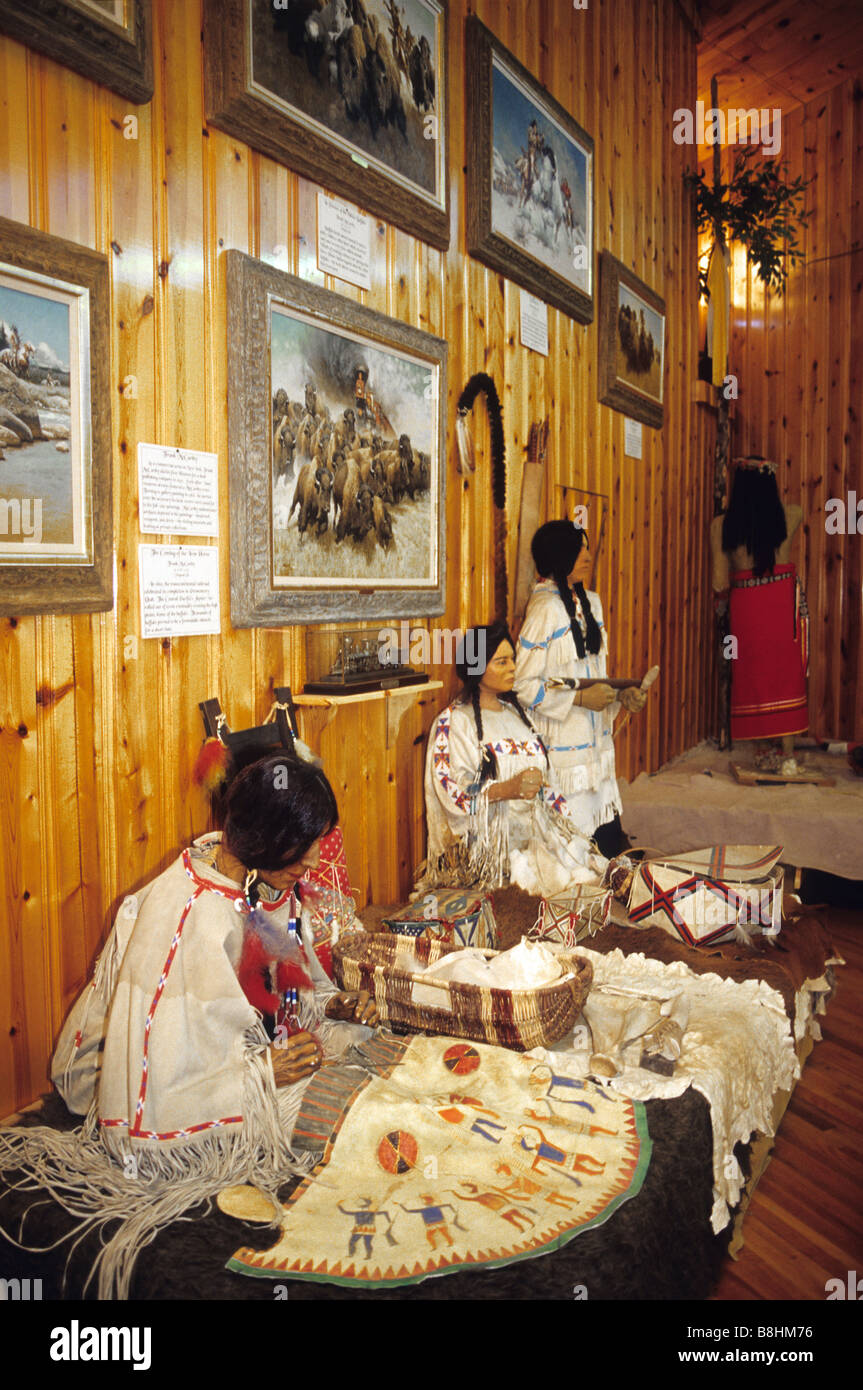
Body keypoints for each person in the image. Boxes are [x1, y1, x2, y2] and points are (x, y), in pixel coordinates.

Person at [0, 756, 377, 1298]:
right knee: (347, 1112)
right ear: (265, 838)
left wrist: (336, 1005)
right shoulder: (185, 915)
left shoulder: (262, 880)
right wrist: (263, 1072)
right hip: (180, 1095)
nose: (315, 859)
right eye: (304, 845)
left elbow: (292, 989)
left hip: (253, 1055)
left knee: (368, 1049)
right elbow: (160, 1074)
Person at [423, 621, 604, 896]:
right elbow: (452, 794)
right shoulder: (455, 722)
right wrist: (505, 790)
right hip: (489, 854)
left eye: (513, 660)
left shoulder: (518, 716)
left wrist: (566, 829)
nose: (512, 668)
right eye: (501, 662)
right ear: (476, 666)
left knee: (590, 874)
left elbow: (549, 783)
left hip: (536, 840)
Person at [513, 520, 648, 858]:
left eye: (587, 548)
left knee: (606, 842)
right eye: (579, 549)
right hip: (564, 753)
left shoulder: (593, 604)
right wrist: (578, 698)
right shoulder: (544, 610)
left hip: (597, 756)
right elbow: (524, 684)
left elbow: (597, 675)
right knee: (572, 850)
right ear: (559, 557)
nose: (588, 556)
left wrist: (620, 698)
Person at [710, 459, 807, 772]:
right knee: (786, 671)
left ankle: (762, 750)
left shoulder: (721, 526)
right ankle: (788, 755)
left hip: (747, 606)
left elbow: (719, 581)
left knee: (751, 671)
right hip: (781, 602)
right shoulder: (792, 515)